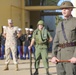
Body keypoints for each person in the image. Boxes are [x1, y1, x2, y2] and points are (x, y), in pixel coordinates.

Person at [51, 1, 76, 75]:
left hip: (71, 57)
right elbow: (55, 41)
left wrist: (75, 56)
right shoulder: (59, 24)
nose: (64, 10)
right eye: (62, 9)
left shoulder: (75, 22)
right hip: (60, 57)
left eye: (66, 8)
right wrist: (53, 56)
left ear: (71, 9)